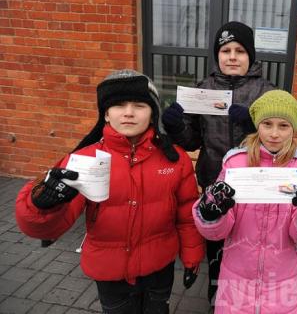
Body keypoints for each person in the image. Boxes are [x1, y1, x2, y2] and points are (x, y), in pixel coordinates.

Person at [16, 69, 205, 314]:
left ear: (152, 113)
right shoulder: (83, 160)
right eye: (118, 105)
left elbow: (187, 213)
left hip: (159, 268)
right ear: (105, 113)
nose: (128, 112)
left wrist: (192, 257)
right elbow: (48, 226)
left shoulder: (174, 158)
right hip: (110, 273)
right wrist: (40, 205)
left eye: (139, 105)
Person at [161, 21, 275, 305]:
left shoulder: (268, 92)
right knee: (216, 247)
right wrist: (175, 128)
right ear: (218, 55)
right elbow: (192, 141)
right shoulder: (204, 88)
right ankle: (216, 298)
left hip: (255, 186)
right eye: (225, 50)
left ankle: (248, 301)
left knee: (246, 246)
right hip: (214, 181)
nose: (232, 56)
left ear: (251, 55)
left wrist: (254, 126)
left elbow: (280, 139)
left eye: (239, 50)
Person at [192, 90, 297, 313]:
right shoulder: (236, 163)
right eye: (267, 124)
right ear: (258, 125)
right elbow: (218, 231)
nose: (274, 133)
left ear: (293, 128)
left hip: (282, 281)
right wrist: (211, 213)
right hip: (236, 279)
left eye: (283, 126)